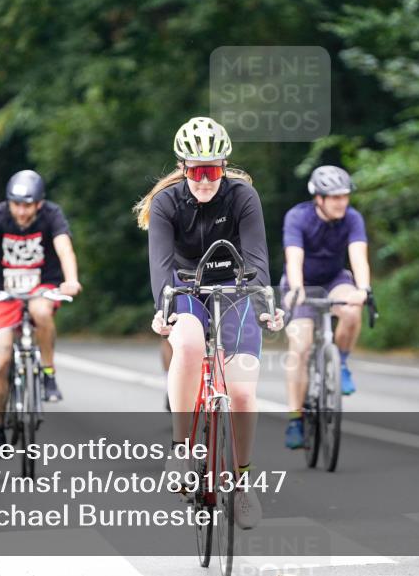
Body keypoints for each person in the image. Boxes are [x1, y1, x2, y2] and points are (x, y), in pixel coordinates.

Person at [134, 116, 284, 530]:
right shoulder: (166, 203)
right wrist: (165, 311)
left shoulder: (242, 196)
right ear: (183, 167)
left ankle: (241, 482)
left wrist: (265, 301)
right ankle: (182, 448)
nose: (204, 180)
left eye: (213, 170)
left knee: (241, 391)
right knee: (186, 345)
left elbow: (257, 259)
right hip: (185, 287)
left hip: (236, 288)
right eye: (197, 171)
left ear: (224, 166)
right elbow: (161, 269)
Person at [0, 170, 82, 449]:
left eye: (27, 205)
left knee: (41, 313)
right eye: (16, 204)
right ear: (9, 202)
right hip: (1, 291)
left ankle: (48, 372)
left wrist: (71, 280)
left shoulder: (51, 215)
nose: (21, 211)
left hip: (41, 285)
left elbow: (64, 248)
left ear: (39, 204)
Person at [281, 165, 371, 449]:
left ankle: (341, 362)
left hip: (334, 280)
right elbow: (294, 258)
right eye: (335, 198)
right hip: (303, 284)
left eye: (344, 197)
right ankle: (296, 417)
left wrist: (363, 290)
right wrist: (296, 291)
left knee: (352, 310)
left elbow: (358, 257)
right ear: (318, 198)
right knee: (300, 347)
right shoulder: (298, 217)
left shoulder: (352, 218)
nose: (341, 202)